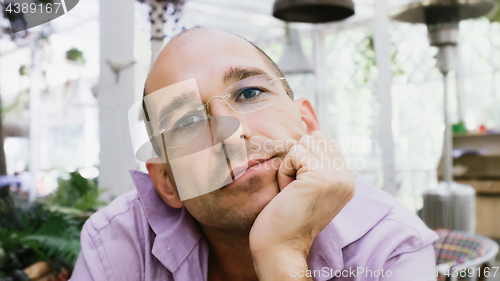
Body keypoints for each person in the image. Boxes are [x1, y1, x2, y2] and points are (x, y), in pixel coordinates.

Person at [71, 27, 438, 281]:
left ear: (308, 124)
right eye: (186, 122)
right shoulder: (117, 244)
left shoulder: (391, 247)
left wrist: (281, 254)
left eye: (249, 93)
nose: (231, 133)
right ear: (167, 182)